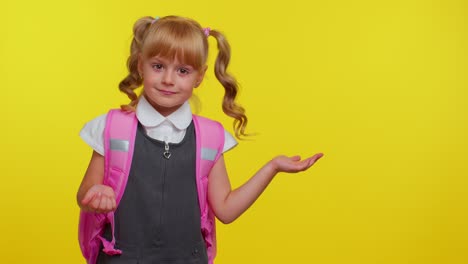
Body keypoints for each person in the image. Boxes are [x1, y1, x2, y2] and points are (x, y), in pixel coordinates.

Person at [77, 15, 323, 264]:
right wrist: (95, 194)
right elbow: (84, 195)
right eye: (158, 66)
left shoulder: (210, 138)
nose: (168, 79)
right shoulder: (112, 127)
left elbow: (226, 210)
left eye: (183, 70)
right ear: (141, 64)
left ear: (200, 76)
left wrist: (273, 167)